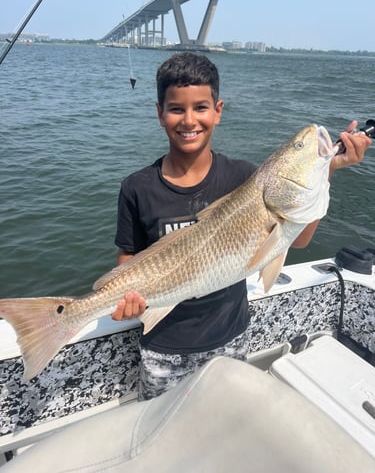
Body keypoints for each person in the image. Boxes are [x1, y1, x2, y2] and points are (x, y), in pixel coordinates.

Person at [112, 51, 371, 400]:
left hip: (230, 337)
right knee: (159, 431)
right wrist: (125, 300)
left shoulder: (243, 177)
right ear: (160, 114)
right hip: (163, 345)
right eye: (177, 109)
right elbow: (128, 259)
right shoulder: (137, 187)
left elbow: (296, 241)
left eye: (201, 108)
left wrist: (327, 170)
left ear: (218, 111)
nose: (189, 120)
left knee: (224, 425)